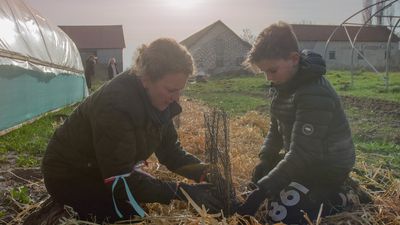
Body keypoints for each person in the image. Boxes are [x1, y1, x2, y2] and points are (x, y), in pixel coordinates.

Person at [42, 38, 223, 222]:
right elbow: (120, 181)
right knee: (130, 217)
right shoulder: (115, 105)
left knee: (136, 205)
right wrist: (182, 192)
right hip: (71, 174)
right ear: (146, 79)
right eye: (171, 90)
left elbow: (170, 152)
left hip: (101, 167)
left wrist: (204, 172)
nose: (176, 98)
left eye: (180, 90)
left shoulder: (158, 100)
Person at [236, 22, 359, 224]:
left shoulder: (314, 93)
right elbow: (275, 130)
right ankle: (308, 192)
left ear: (294, 59)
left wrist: (264, 189)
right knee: (261, 184)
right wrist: (266, 158)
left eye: (272, 70)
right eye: (264, 72)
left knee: (281, 215)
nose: (268, 78)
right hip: (305, 161)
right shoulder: (284, 84)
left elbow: (304, 153)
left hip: (326, 166)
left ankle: (342, 196)